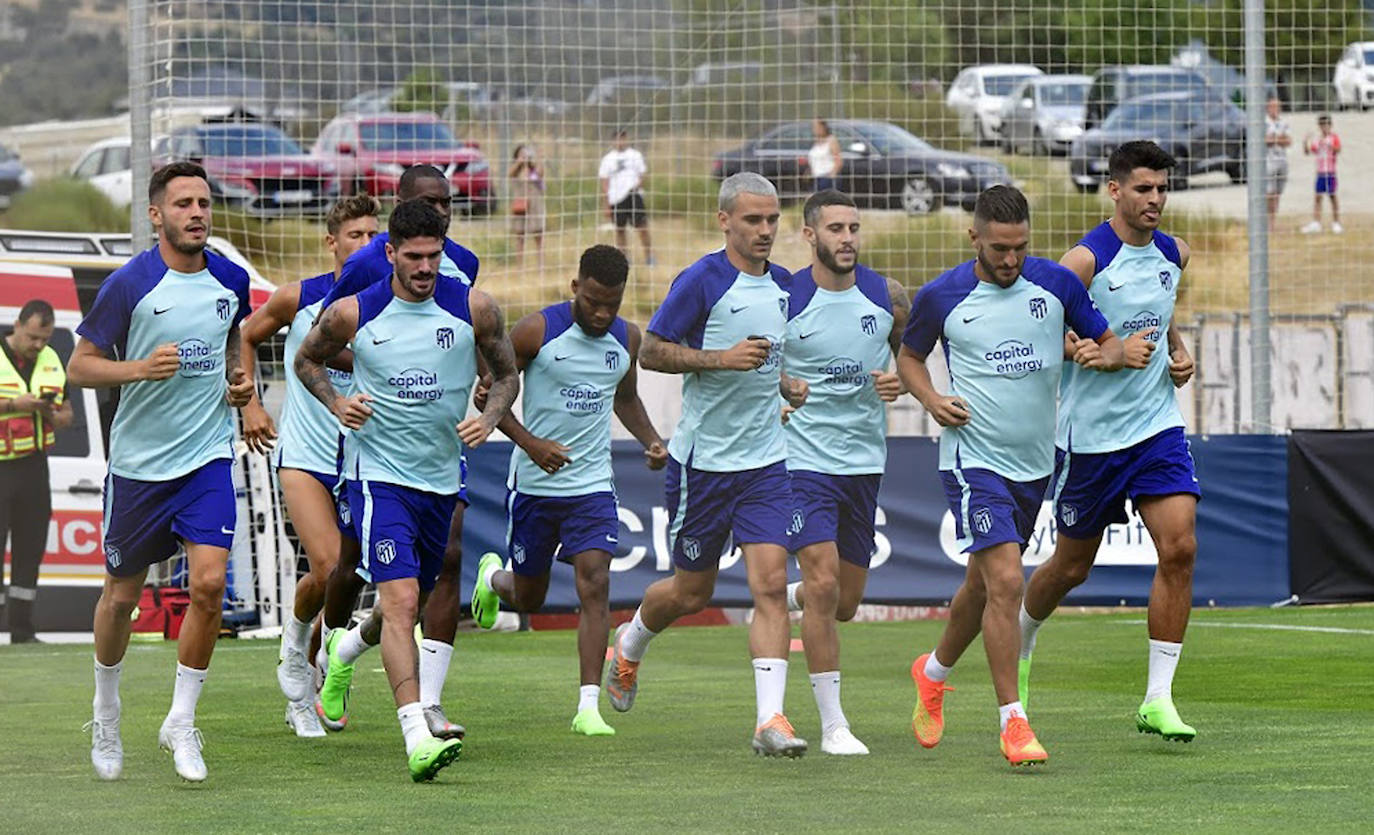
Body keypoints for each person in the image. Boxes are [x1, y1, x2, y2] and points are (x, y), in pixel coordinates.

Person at [897, 184, 1123, 767]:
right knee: (1006, 582)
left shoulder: (1058, 284)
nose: (1010, 260)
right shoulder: (942, 295)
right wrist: (930, 400)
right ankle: (1013, 722)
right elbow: (909, 357)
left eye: (1020, 247)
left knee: (981, 586)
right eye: (999, 248)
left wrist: (1103, 353)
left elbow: (1107, 341)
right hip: (973, 459)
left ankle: (934, 671)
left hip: (1035, 465)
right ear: (975, 237)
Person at [294, 199, 519, 781]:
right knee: (398, 605)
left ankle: (342, 656)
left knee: (405, 606)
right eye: (413, 257)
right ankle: (417, 735)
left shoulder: (474, 309)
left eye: (434, 256)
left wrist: (491, 417)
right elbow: (306, 360)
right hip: (377, 479)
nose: (424, 267)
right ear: (390, 253)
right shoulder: (352, 312)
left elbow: (508, 375)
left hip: (439, 482)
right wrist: (337, 402)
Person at [604, 172, 810, 757]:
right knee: (693, 593)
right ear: (725, 221)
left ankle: (770, 721)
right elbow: (653, 351)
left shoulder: (785, 287)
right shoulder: (701, 280)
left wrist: (786, 385)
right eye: (753, 220)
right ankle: (632, 642)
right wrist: (721, 358)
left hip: (767, 462)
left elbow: (767, 360)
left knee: (770, 586)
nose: (765, 230)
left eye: (772, 220)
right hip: (704, 467)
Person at [69, 161, 254, 782]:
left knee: (207, 587)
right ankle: (107, 707)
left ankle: (180, 720)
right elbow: (81, 366)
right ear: (156, 215)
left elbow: (234, 341)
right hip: (139, 468)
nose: (197, 213)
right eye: (183, 204)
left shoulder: (230, 278)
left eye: (204, 203)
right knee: (121, 597)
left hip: (206, 459)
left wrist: (241, 388)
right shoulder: (129, 284)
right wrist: (138, 370)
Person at [1020, 140, 1201, 743]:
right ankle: (1020, 635)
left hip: (1157, 428)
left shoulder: (1173, 252)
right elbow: (1045, 330)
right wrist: (1088, 351)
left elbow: (1159, 304)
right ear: (1115, 190)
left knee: (1179, 548)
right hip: (1091, 440)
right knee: (1072, 567)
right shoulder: (1083, 261)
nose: (1155, 199)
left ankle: (1157, 699)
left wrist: (1176, 349)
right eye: (1144, 189)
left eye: (1162, 188)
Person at [468, 244, 668, 737]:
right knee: (530, 598)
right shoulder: (537, 330)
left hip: (592, 485)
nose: (602, 314)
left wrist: (651, 439)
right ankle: (493, 579)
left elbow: (625, 398)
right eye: (594, 301)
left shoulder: (627, 339)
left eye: (612, 304)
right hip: (534, 485)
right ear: (575, 287)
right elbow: (493, 390)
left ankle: (587, 707)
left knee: (596, 582)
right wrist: (531, 444)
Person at [313, 164, 480, 739]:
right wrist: (358, 386)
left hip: (441, 447)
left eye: (447, 202)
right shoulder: (366, 266)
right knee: (361, 564)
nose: (440, 212)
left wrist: (478, 383)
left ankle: (414, 690)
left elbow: (475, 344)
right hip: (378, 449)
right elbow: (325, 336)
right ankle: (338, 654)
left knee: (428, 574)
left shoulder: (464, 266)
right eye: (428, 202)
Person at [236, 194, 380, 738]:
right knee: (326, 566)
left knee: (347, 580)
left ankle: (311, 659)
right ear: (332, 242)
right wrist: (251, 404)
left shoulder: (389, 305)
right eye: (355, 236)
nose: (365, 245)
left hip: (365, 464)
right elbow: (247, 336)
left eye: (373, 235)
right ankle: (296, 655)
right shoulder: (300, 297)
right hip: (303, 457)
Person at [780, 190, 906, 756]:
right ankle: (834, 725)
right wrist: (778, 393)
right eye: (835, 228)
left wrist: (899, 378)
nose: (847, 237)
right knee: (827, 586)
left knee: (845, 602)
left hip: (864, 462)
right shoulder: (783, 297)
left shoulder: (887, 296)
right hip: (801, 460)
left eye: (854, 227)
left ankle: (793, 595)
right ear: (810, 235)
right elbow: (752, 366)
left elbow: (909, 355)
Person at [0, 299, 74, 643]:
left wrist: (49, 414)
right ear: (17, 325)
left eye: (43, 339)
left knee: (30, 549)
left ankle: (22, 632)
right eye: (32, 337)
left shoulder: (51, 359)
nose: (38, 345)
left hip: (33, 466)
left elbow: (67, 415)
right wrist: (16, 405)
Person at [598, 130, 653, 266]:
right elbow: (604, 182)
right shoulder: (607, 159)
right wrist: (606, 204)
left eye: (623, 138)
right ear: (613, 141)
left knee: (642, 227)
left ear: (626, 139)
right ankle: (624, 259)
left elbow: (642, 174)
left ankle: (649, 257)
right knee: (620, 229)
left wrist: (637, 186)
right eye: (617, 139)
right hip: (616, 199)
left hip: (633, 195)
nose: (620, 142)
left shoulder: (635, 155)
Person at [1301, 113, 1341, 234]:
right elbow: (1309, 151)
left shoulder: (1333, 138)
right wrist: (1305, 141)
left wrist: (1329, 144)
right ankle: (1316, 222)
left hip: (1330, 172)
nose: (1324, 127)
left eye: (1327, 125)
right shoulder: (1318, 140)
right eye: (1322, 125)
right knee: (1318, 197)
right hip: (1320, 172)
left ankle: (1336, 222)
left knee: (1332, 196)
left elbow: (1338, 149)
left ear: (1330, 126)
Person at [508, 143, 547, 268]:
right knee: (520, 236)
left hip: (535, 205)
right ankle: (520, 266)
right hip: (521, 205)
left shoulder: (533, 170)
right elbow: (510, 174)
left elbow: (541, 173)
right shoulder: (516, 170)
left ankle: (540, 264)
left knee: (538, 235)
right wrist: (520, 162)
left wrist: (538, 158)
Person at [1263, 97, 1291, 234]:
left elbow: (1288, 141)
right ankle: (1268, 222)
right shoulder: (1263, 122)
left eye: (1278, 107)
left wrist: (1275, 139)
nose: (1276, 109)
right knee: (1269, 193)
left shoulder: (1283, 122)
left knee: (1278, 193)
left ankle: (1273, 221)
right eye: (1273, 107)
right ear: (1268, 108)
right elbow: (1264, 140)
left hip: (1282, 160)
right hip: (1268, 161)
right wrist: (1279, 139)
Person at [806, 119, 843, 193]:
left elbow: (838, 160)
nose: (815, 129)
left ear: (823, 127)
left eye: (817, 126)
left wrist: (832, 175)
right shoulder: (816, 142)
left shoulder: (831, 140)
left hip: (827, 177)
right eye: (813, 127)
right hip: (816, 177)